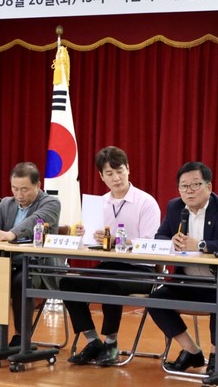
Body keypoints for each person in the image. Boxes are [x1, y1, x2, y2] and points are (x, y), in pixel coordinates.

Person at [60, 146, 161, 366]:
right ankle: (93, 341)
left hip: (141, 269)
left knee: (109, 284)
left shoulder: (146, 202)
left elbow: (151, 244)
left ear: (128, 169)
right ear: (101, 176)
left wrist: (117, 241)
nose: (116, 178)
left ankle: (111, 343)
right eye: (109, 173)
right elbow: (91, 245)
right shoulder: (99, 203)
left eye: (120, 171)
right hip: (109, 265)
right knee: (67, 282)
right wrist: (82, 235)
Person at [147, 161, 218, 375]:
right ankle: (192, 351)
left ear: (209, 187)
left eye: (195, 184)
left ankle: (216, 356)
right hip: (188, 281)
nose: (189, 191)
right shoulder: (175, 207)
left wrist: (201, 245)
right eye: (184, 186)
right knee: (155, 301)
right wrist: (171, 241)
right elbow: (160, 236)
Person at [0, 161, 62, 352]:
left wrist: (12, 234)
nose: (19, 195)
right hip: (6, 264)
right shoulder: (6, 203)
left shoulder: (51, 203)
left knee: (21, 281)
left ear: (38, 185)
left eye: (25, 189)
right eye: (15, 188)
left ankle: (21, 336)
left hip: (38, 267)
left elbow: (35, 220)